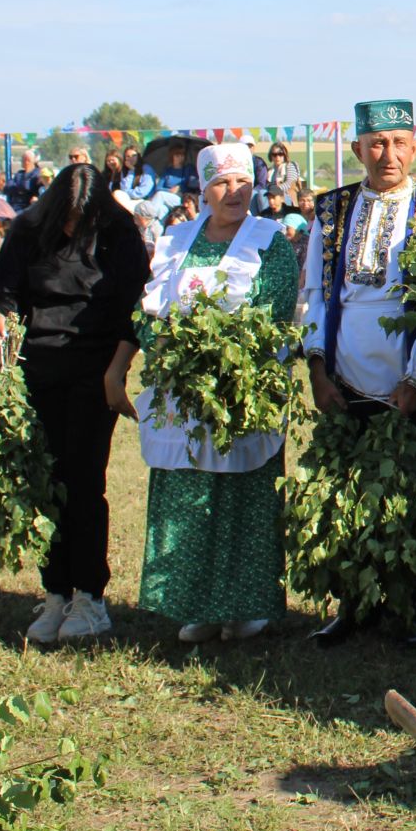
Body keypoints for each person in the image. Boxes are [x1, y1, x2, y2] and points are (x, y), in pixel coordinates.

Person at [302, 100, 416, 648]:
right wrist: (318, 372)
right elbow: (315, 296)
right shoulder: (331, 211)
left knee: (412, 496)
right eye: (375, 143)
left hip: (411, 386)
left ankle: (411, 607)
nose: (386, 154)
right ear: (356, 151)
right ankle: (354, 606)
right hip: (342, 383)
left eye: (397, 143)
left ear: (415, 148)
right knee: (346, 496)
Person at [134, 143, 298, 646]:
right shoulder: (178, 241)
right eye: (222, 183)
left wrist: (229, 365)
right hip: (182, 390)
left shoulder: (270, 243)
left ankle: (245, 607)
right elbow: (149, 312)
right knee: (191, 494)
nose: (233, 193)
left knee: (240, 495)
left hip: (240, 388)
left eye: (242, 182)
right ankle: (195, 604)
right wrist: (162, 346)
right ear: (202, 190)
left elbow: (275, 312)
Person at [0, 164, 149, 644]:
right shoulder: (30, 229)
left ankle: (90, 599)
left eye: (84, 219)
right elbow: (5, 290)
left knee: (84, 483)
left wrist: (116, 372)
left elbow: (134, 310)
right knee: (47, 483)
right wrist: (0, 313)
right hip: (37, 370)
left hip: (95, 371)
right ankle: (55, 592)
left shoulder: (119, 234)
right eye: (68, 219)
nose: (75, 227)